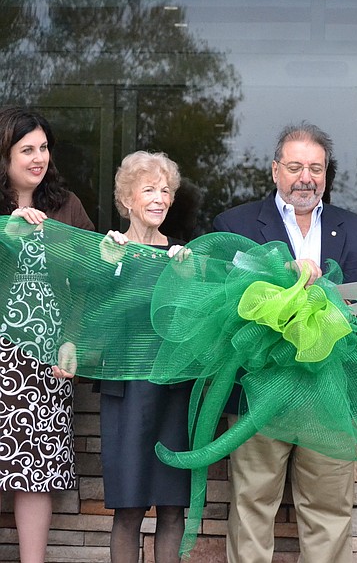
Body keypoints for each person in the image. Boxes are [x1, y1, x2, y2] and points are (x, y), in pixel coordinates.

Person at [213, 121, 357, 563]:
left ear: (327, 174)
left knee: (328, 511)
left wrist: (335, 315)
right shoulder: (234, 224)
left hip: (329, 391)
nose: (305, 178)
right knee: (252, 506)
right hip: (259, 389)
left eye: (315, 168)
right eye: (295, 167)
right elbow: (218, 301)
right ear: (275, 170)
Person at [0, 106, 94, 562]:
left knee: (34, 474)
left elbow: (90, 280)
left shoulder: (65, 205)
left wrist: (73, 340)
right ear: (4, 155)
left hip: (44, 360)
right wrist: (8, 234)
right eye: (27, 150)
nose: (39, 158)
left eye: (43, 148)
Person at [95, 151, 191, 563]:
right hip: (126, 392)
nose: (159, 198)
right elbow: (93, 315)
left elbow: (197, 323)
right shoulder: (108, 251)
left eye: (165, 191)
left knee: (172, 507)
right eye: (149, 189)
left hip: (174, 390)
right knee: (129, 507)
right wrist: (109, 266)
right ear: (127, 200)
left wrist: (189, 279)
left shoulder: (183, 256)